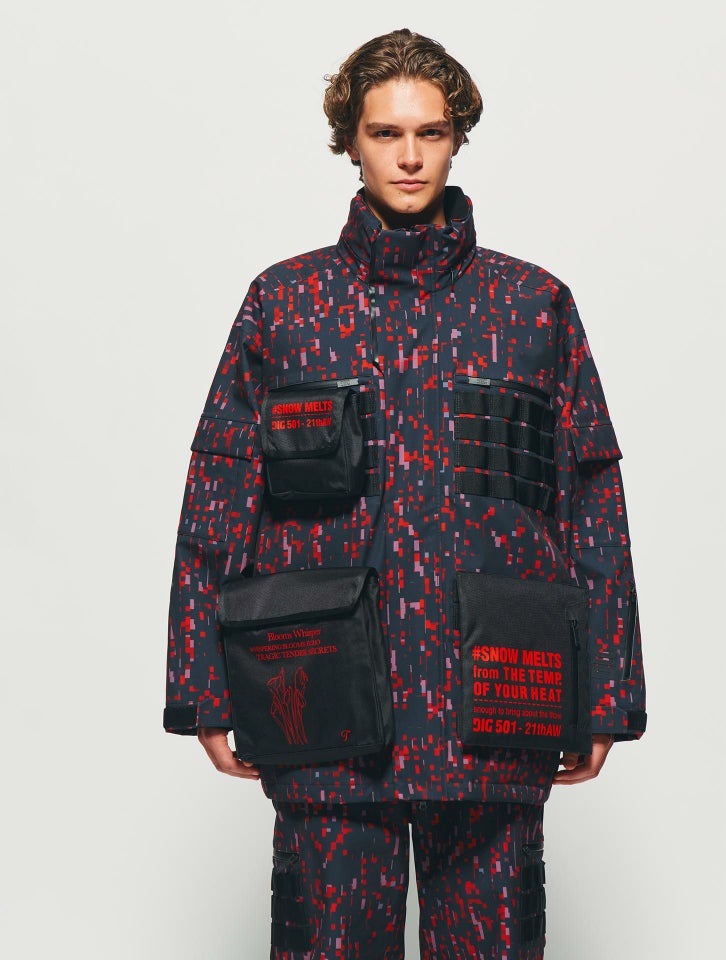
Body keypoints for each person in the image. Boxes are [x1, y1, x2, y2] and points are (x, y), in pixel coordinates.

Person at [163, 28, 646, 960]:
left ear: (458, 137)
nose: (411, 156)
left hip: (496, 698)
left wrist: (606, 692)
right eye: (386, 133)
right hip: (325, 699)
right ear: (350, 142)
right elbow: (219, 495)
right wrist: (203, 687)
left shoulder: (531, 306)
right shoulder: (286, 304)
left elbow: (590, 501)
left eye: (430, 132)